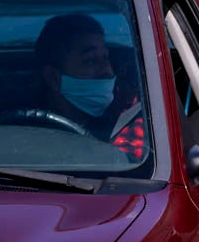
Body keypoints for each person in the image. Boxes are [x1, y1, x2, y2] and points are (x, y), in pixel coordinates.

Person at [34, 13, 145, 158]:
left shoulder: (129, 120)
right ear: (53, 78)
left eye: (106, 57)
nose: (107, 70)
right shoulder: (20, 130)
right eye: (90, 61)